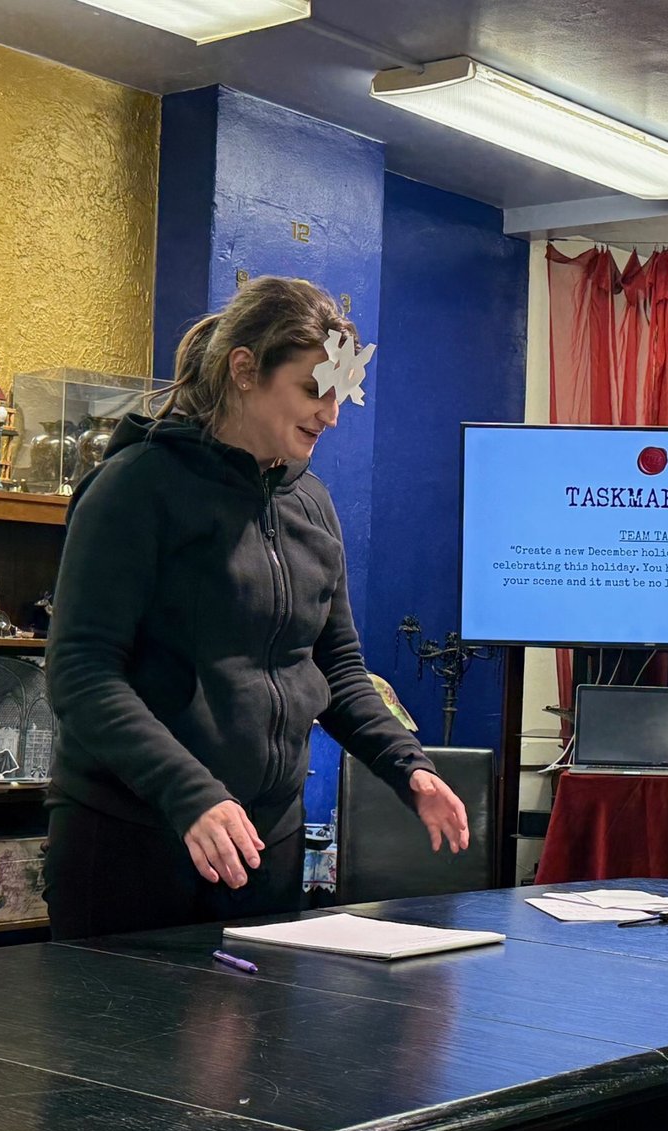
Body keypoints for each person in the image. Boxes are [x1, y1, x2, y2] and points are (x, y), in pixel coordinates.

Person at [43, 276, 470, 939]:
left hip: (265, 846)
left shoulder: (312, 504)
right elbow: (82, 673)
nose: (331, 414)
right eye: (312, 390)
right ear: (244, 370)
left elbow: (337, 671)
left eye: (339, 394)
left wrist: (405, 764)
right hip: (135, 841)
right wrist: (190, 793)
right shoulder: (134, 489)